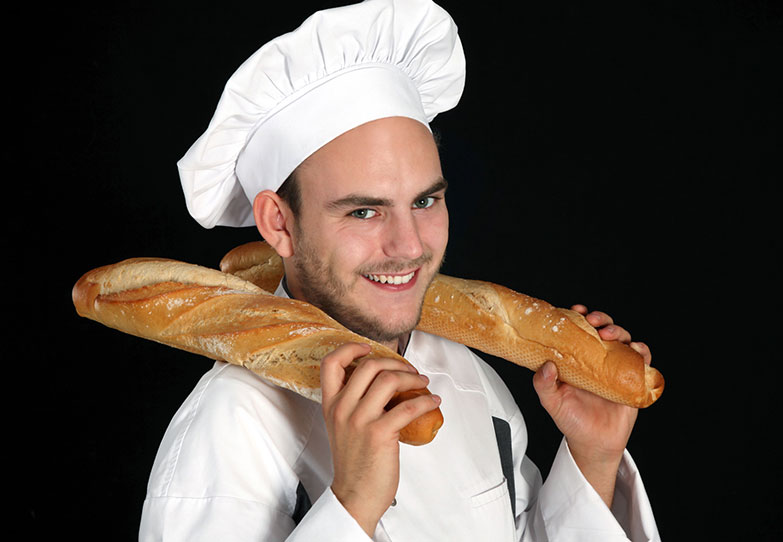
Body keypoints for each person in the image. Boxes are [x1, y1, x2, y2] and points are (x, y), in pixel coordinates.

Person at [139, 1, 661, 540]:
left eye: (425, 201)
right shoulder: (228, 427)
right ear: (279, 223)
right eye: (364, 212)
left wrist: (594, 460)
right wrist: (352, 504)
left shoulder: (469, 380)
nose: (410, 246)